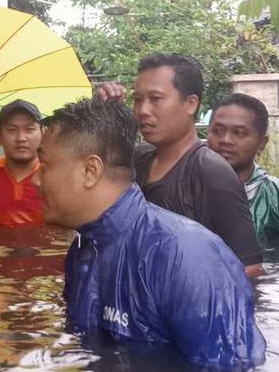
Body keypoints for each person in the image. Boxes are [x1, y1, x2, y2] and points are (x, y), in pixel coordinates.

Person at [32, 98, 266, 370]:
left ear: (90, 171)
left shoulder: (186, 257)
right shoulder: (84, 250)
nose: (36, 180)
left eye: (45, 164)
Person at [97, 53, 263, 275]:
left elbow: (249, 269)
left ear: (190, 104)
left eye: (155, 99)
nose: (143, 110)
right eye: (137, 100)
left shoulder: (211, 172)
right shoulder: (137, 162)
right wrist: (104, 117)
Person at [207, 93, 279, 240]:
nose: (226, 140)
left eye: (239, 133)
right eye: (218, 131)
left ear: (261, 143)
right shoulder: (184, 190)